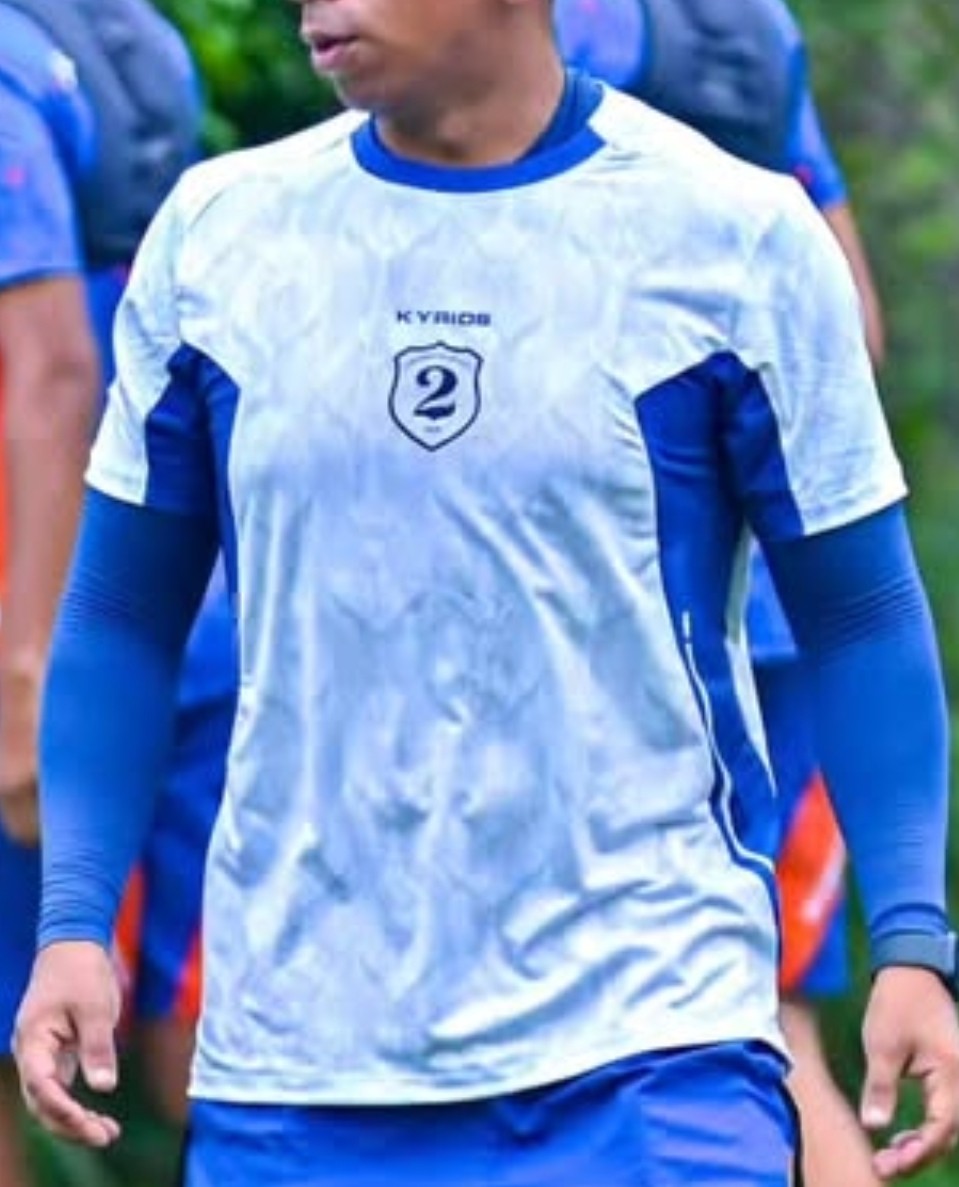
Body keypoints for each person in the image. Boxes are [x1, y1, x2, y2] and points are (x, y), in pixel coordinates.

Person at [13, 2, 959, 1185]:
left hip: (646, 1050)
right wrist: (73, 920)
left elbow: (859, 616)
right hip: (296, 1069)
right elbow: (121, 617)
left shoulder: (736, 236)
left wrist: (911, 935)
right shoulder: (218, 236)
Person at [554, 2, 885, 1183]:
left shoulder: (540, 33)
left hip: (624, 627)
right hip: (785, 622)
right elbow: (854, 328)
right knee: (774, 1021)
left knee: (603, 1036)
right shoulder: (752, 23)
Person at [0, 2, 236, 1183]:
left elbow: (49, 367)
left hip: (41, 618)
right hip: (184, 601)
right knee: (208, 1052)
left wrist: (25, 669)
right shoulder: (115, 35)